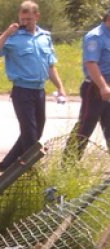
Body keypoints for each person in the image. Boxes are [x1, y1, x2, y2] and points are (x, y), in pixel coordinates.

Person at [0, 1, 66, 172]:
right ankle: (32, 173)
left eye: (29, 18)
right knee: (30, 136)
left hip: (39, 91)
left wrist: (60, 87)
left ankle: (6, 165)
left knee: (36, 132)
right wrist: (6, 34)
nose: (25, 22)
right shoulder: (13, 38)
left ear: (37, 16)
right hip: (22, 92)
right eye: (22, 18)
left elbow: (50, 65)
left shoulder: (44, 37)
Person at [65, 9, 110, 160]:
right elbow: (91, 64)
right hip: (95, 87)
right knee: (85, 125)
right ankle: (69, 164)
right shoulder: (95, 36)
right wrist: (103, 86)